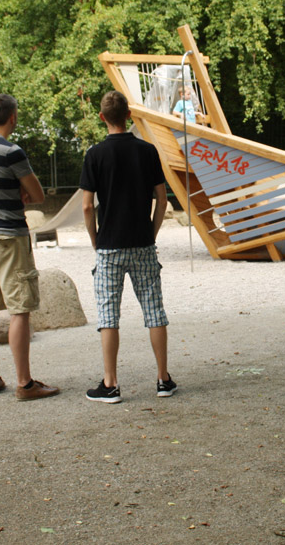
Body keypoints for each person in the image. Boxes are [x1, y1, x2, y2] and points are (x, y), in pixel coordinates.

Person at [80, 90, 175, 404]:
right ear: (129, 117)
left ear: (102, 117)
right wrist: (152, 231)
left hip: (109, 245)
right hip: (142, 243)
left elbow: (86, 207)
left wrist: (96, 240)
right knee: (154, 310)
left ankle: (111, 383)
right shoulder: (147, 151)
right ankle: (162, 378)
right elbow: (161, 199)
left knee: (108, 315)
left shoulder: (94, 155)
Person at [0, 93, 60, 402]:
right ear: (13, 117)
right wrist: (21, 190)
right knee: (20, 309)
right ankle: (25, 383)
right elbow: (37, 194)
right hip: (10, 236)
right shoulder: (12, 152)